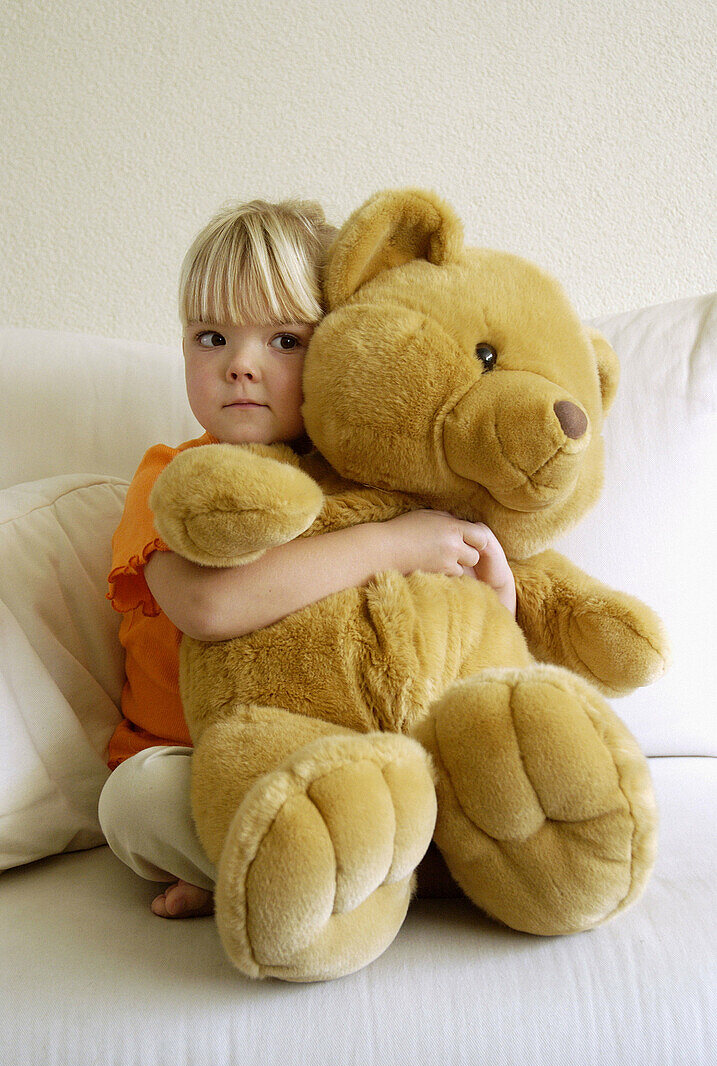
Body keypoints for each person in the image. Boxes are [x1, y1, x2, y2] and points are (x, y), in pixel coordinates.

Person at [98, 198, 517, 920]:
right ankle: (335, 874)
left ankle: (309, 873)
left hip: (348, 761)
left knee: (457, 761)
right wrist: (390, 546)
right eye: (210, 336)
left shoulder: (376, 485)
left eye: (284, 341)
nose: (239, 366)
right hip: (192, 759)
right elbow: (209, 606)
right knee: (132, 803)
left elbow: (460, 642)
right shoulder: (171, 479)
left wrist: (491, 592)